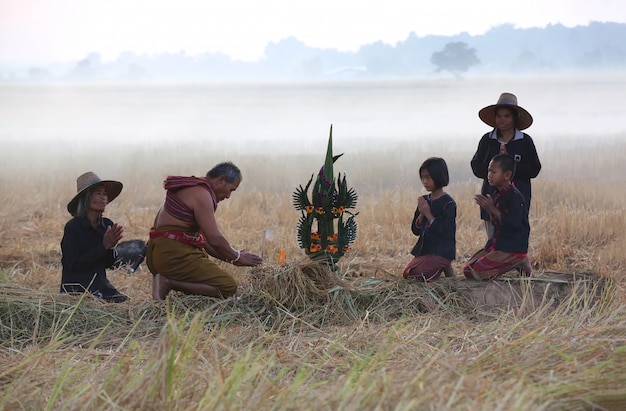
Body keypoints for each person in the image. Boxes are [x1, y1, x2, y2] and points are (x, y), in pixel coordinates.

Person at [146, 162, 264, 300]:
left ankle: (167, 280)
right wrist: (237, 256)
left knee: (210, 272)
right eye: (231, 190)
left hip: (157, 254)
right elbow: (215, 239)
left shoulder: (194, 188)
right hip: (172, 256)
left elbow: (207, 243)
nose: (228, 196)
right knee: (227, 287)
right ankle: (167, 282)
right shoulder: (202, 194)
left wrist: (233, 259)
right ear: (221, 180)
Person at [471, 92, 541, 240]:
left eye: (507, 116)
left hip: (518, 197)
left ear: (515, 118)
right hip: (491, 196)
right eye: (499, 116)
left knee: (516, 239)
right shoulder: (487, 140)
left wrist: (511, 164)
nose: (502, 120)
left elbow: (534, 169)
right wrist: (493, 171)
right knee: (493, 240)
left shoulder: (524, 141)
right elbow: (476, 165)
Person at [61, 172, 129, 303]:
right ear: (86, 198)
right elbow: (73, 264)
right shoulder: (73, 228)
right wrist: (103, 246)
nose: (104, 198)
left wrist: (111, 248)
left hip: (101, 287)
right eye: (98, 193)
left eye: (105, 194)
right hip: (76, 291)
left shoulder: (107, 225)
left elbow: (109, 264)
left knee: (127, 305)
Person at [463, 154, 532, 280]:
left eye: (494, 172)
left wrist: (492, 209)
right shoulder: (498, 193)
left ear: (507, 175)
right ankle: (510, 261)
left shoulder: (515, 197)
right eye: (489, 171)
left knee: (479, 273)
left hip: (512, 246)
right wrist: (491, 210)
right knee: (468, 270)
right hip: (498, 244)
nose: (489, 175)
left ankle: (519, 261)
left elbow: (514, 225)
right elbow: (498, 223)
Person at [402, 157, 456, 282]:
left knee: (418, 274)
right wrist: (421, 215)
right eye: (422, 178)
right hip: (426, 250)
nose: (424, 181)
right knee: (407, 273)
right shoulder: (424, 200)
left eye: (428, 178)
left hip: (442, 250)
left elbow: (445, 232)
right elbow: (415, 230)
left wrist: (429, 214)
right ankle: (443, 266)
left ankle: (443, 263)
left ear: (439, 177)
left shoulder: (448, 203)